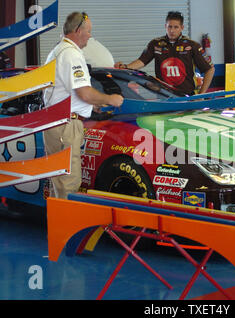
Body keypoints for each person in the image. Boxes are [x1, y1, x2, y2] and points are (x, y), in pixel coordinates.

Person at [43, 12, 124, 199]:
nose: (90, 36)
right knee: (69, 184)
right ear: (78, 31)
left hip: (57, 123)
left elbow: (68, 92)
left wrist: (89, 107)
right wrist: (110, 99)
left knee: (60, 183)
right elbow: (85, 93)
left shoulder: (59, 50)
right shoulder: (71, 55)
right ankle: (67, 228)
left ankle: (60, 226)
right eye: (88, 31)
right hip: (65, 126)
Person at [116, 11, 215, 95]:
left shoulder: (192, 45)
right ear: (165, 26)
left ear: (182, 28)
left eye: (176, 27)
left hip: (187, 96)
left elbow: (210, 70)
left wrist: (201, 95)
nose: (172, 30)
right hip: (163, 95)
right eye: (169, 27)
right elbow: (141, 61)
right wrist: (125, 67)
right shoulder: (155, 44)